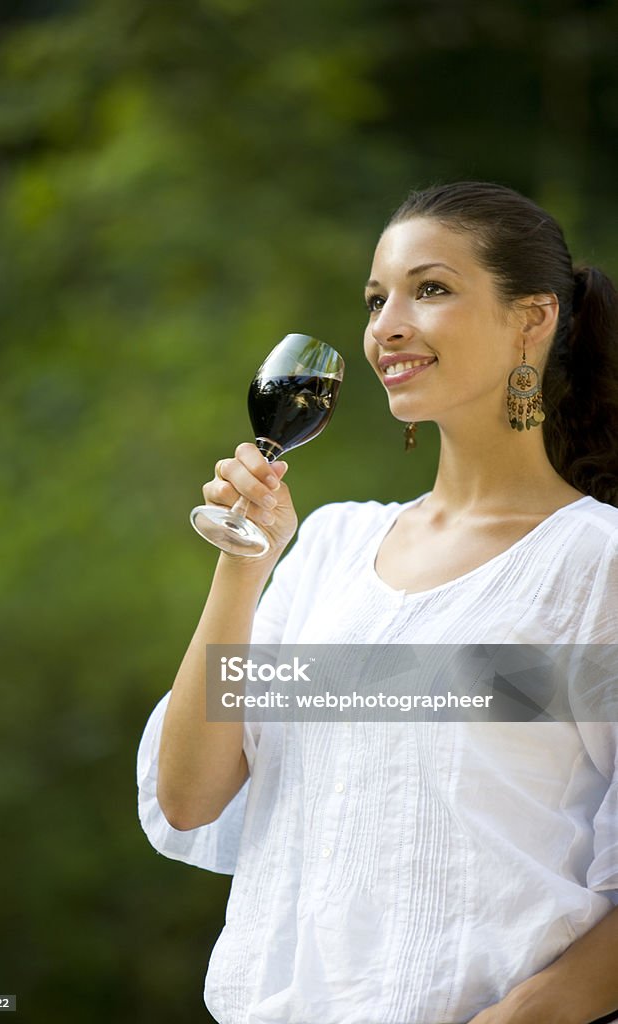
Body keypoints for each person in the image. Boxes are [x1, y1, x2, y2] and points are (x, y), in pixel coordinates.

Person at [137, 182, 618, 1024]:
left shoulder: (595, 561)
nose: (384, 325)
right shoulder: (328, 548)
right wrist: (245, 566)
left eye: (428, 289)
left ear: (531, 318)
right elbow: (189, 797)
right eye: (374, 299)